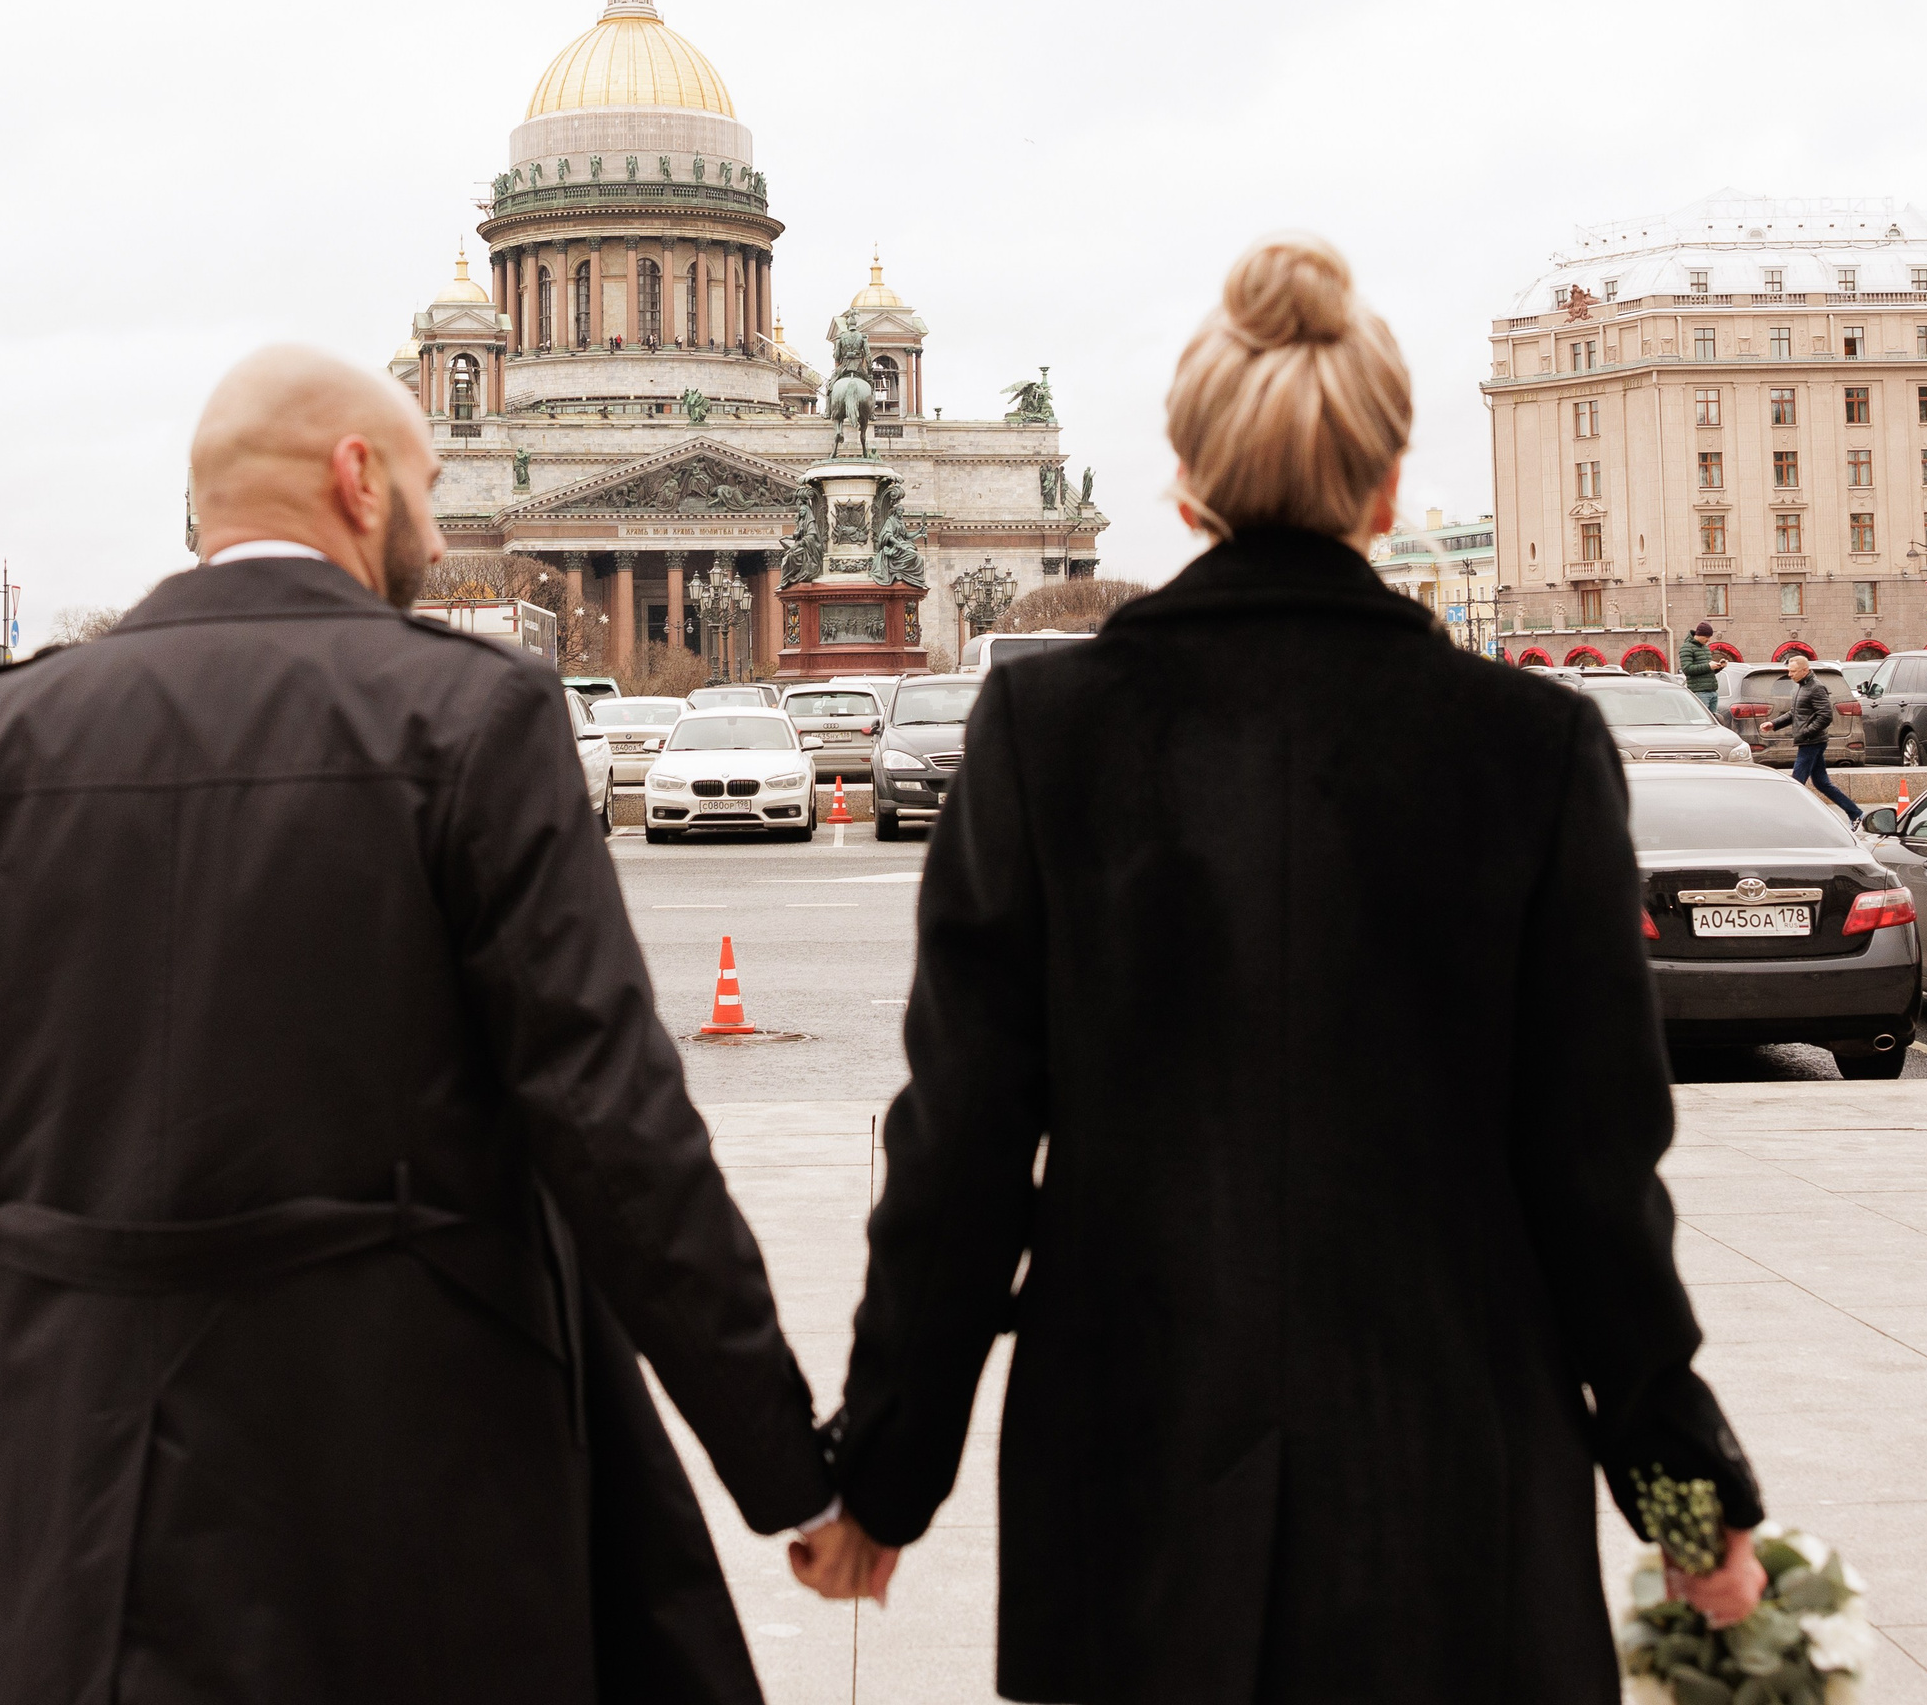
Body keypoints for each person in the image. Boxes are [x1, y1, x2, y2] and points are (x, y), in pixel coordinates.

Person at [793, 237, 1766, 1700]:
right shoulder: (1532, 750)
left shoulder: (1048, 736)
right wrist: (1687, 1499)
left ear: (1187, 492)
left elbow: (961, 1153)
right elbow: (1593, 1177)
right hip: (1451, 1484)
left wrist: (881, 1474)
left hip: (1134, 1481)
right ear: (1384, 492)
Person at [0, 347, 831, 1705]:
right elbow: (615, 1129)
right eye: (424, 486)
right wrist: (785, 1462)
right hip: (414, 1466)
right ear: (358, 480)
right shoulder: (472, 716)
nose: (430, 525)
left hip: (72, 1471)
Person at [1765, 652, 1859, 821]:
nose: (1789, 674)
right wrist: (1774, 724)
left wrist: (1806, 732)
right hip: (1809, 741)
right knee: (1821, 783)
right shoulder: (1800, 686)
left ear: (1805, 670)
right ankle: (1856, 813)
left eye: (1793, 671)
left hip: (1812, 742)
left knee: (1797, 783)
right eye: (1789, 671)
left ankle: (1790, 818)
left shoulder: (1816, 687)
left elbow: (1825, 716)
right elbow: (1794, 713)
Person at [1679, 619, 1721, 708]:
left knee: (1713, 720)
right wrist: (1708, 666)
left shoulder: (1705, 648)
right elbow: (1687, 669)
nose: (1709, 640)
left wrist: (1719, 667)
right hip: (1700, 692)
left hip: (1712, 691)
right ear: (1700, 635)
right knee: (1703, 720)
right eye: (1707, 637)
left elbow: (1707, 670)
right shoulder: (1686, 647)